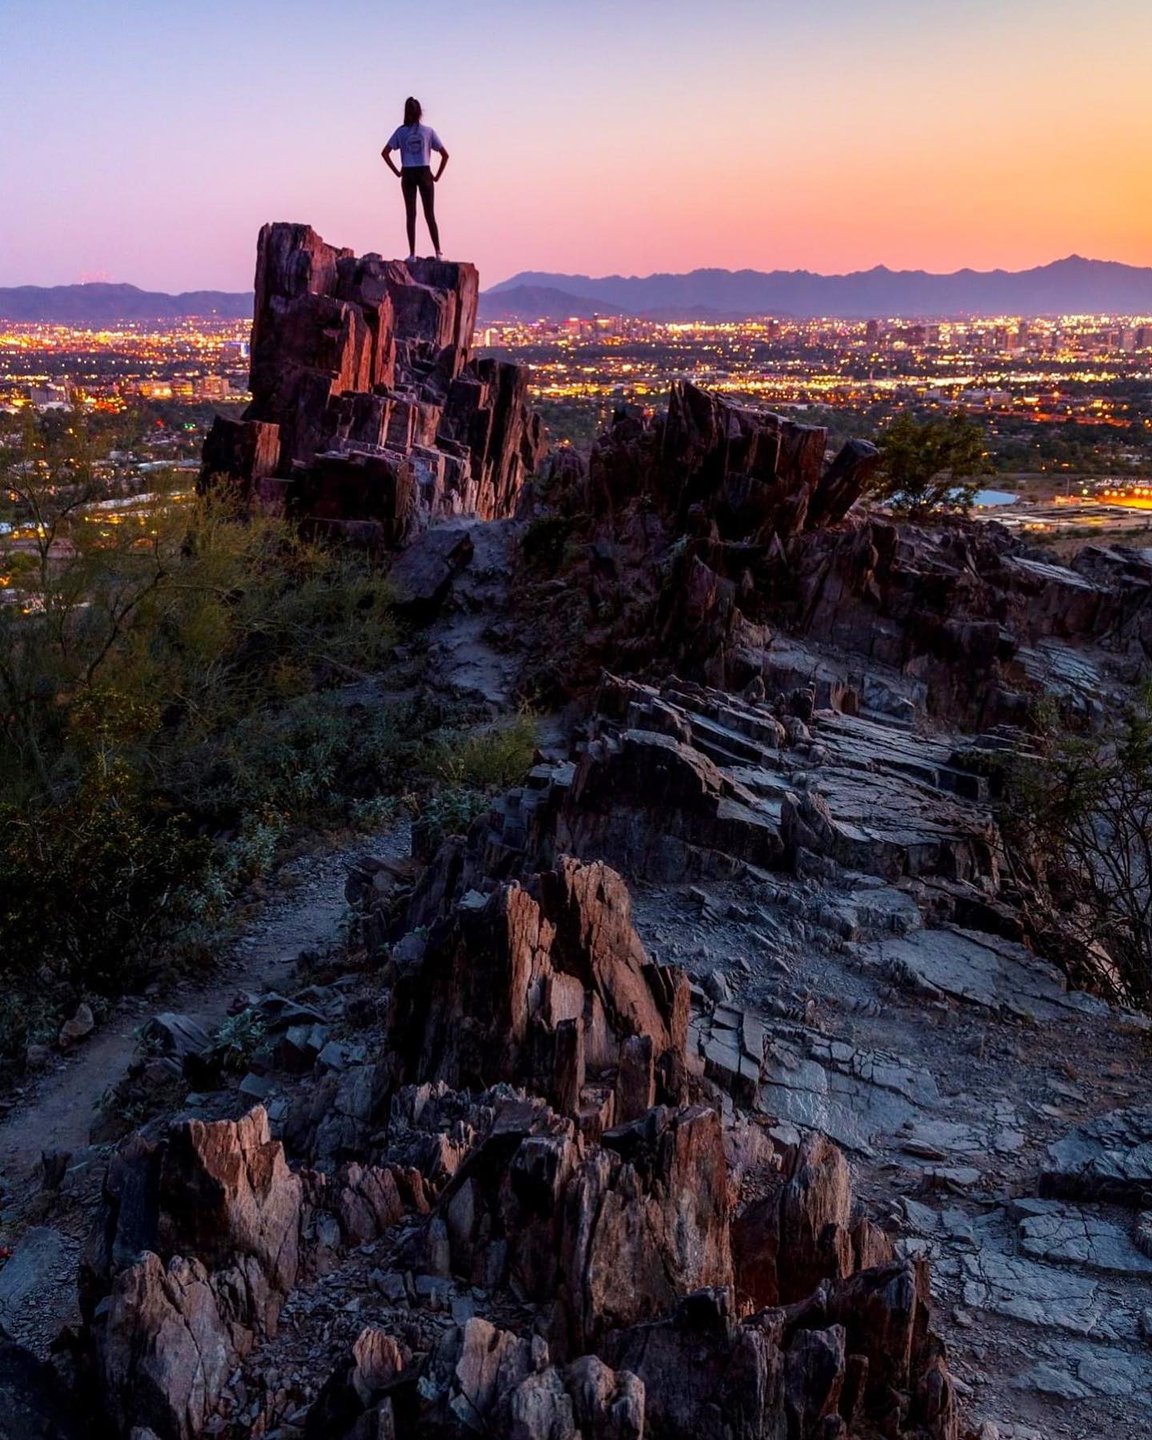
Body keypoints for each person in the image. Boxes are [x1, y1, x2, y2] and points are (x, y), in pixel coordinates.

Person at [382, 97, 449, 262]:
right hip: (425, 171)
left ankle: (412, 254)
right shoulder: (428, 132)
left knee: (411, 214)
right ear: (420, 112)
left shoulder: (401, 132)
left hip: (408, 173)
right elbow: (445, 155)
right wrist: (437, 176)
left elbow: (385, 153)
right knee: (430, 214)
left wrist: (397, 172)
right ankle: (438, 252)